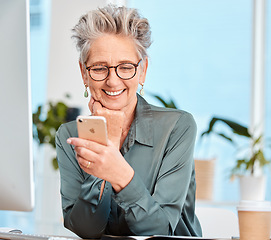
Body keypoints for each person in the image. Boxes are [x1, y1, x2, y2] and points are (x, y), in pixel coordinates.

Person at [55, 5, 202, 239]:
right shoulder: (68, 136)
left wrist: (117, 171)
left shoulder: (178, 127)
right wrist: (105, 145)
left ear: (142, 70)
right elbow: (86, 230)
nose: (113, 81)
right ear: (84, 73)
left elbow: (160, 231)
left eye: (125, 67)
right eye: (100, 68)